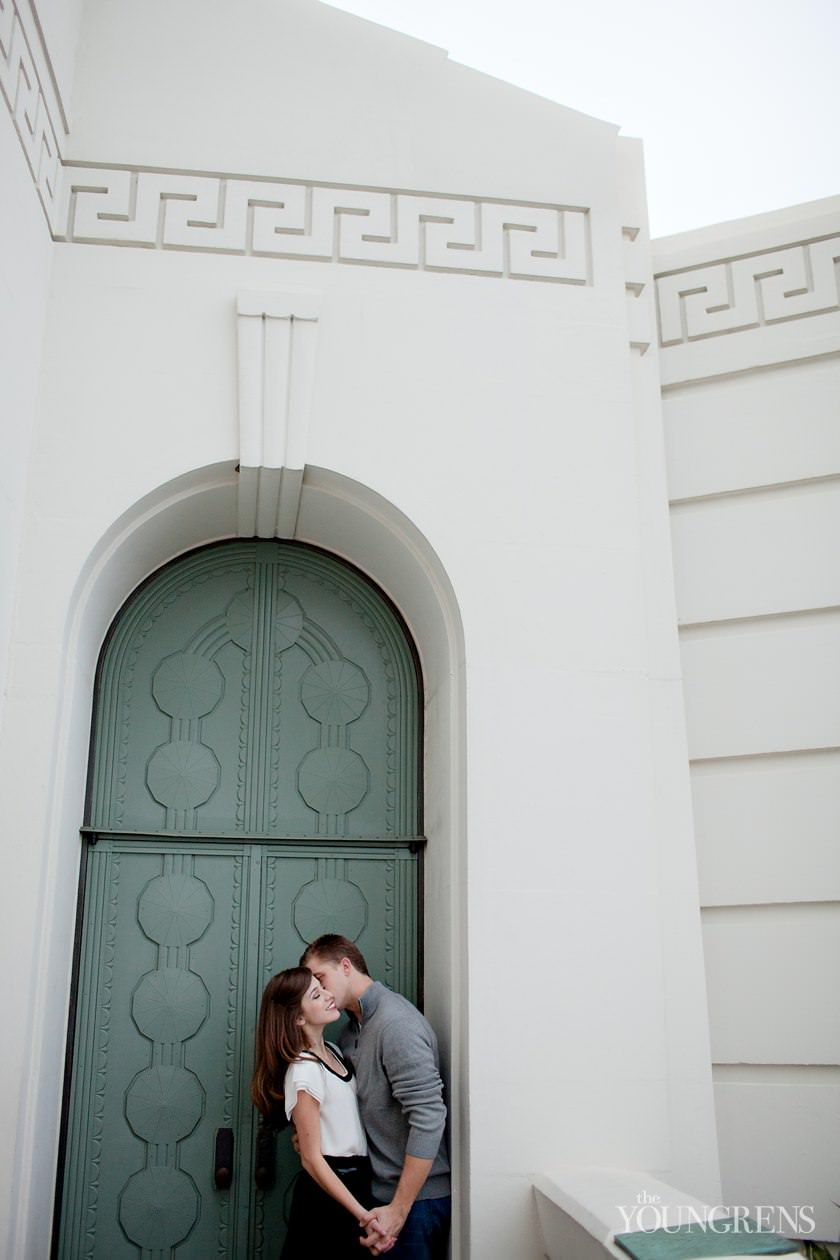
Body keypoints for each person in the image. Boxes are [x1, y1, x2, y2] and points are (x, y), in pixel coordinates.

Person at [300, 935, 451, 1260]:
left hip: (415, 1206)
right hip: (377, 1200)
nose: (321, 992)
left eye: (321, 979)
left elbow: (429, 1116)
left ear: (345, 966)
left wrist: (399, 1208)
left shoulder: (396, 1024)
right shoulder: (348, 1034)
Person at [251, 967, 394, 1258]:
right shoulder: (304, 1071)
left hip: (357, 1181)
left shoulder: (333, 1050)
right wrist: (363, 1216)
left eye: (322, 987)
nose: (329, 996)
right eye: (316, 995)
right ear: (298, 1018)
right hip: (328, 1197)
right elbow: (312, 1159)